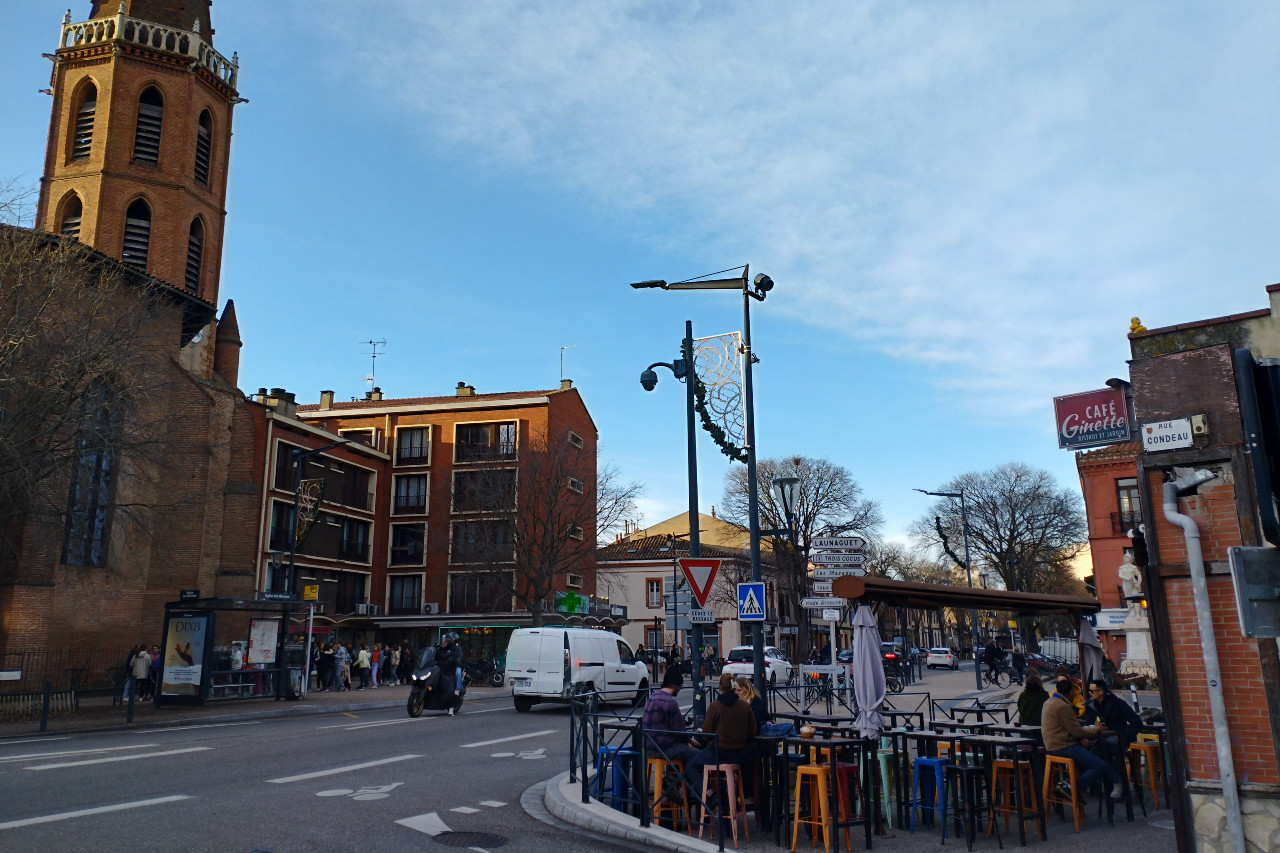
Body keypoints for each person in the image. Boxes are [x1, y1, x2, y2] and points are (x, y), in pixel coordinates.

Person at [1042, 676, 1122, 802]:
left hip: (1053, 745)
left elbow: (1069, 730)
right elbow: (1077, 731)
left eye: (1091, 691)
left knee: (1093, 752)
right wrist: (1095, 730)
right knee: (1100, 764)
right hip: (1063, 747)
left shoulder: (1049, 702)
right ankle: (1073, 788)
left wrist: (1081, 738)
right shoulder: (1063, 706)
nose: (1089, 693)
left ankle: (1067, 784)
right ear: (1071, 692)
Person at [643, 666, 707, 799]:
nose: (680, 689)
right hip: (664, 749)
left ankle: (675, 781)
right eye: (680, 686)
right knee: (698, 756)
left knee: (687, 755)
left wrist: (685, 742)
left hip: (649, 748)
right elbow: (679, 731)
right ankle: (702, 795)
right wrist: (690, 741)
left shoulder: (652, 697)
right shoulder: (670, 702)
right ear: (676, 685)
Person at [1082, 679, 1143, 759]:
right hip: (1095, 736)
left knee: (1099, 747)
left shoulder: (1118, 703)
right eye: (1088, 690)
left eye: (1091, 691)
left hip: (1116, 738)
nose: (1089, 693)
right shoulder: (1089, 705)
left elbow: (1137, 723)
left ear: (1101, 692)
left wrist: (1121, 736)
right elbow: (1088, 723)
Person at [1017, 671, 1049, 744]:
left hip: (1025, 729)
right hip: (1041, 730)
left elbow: (1020, 709)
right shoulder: (1044, 695)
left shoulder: (1023, 695)